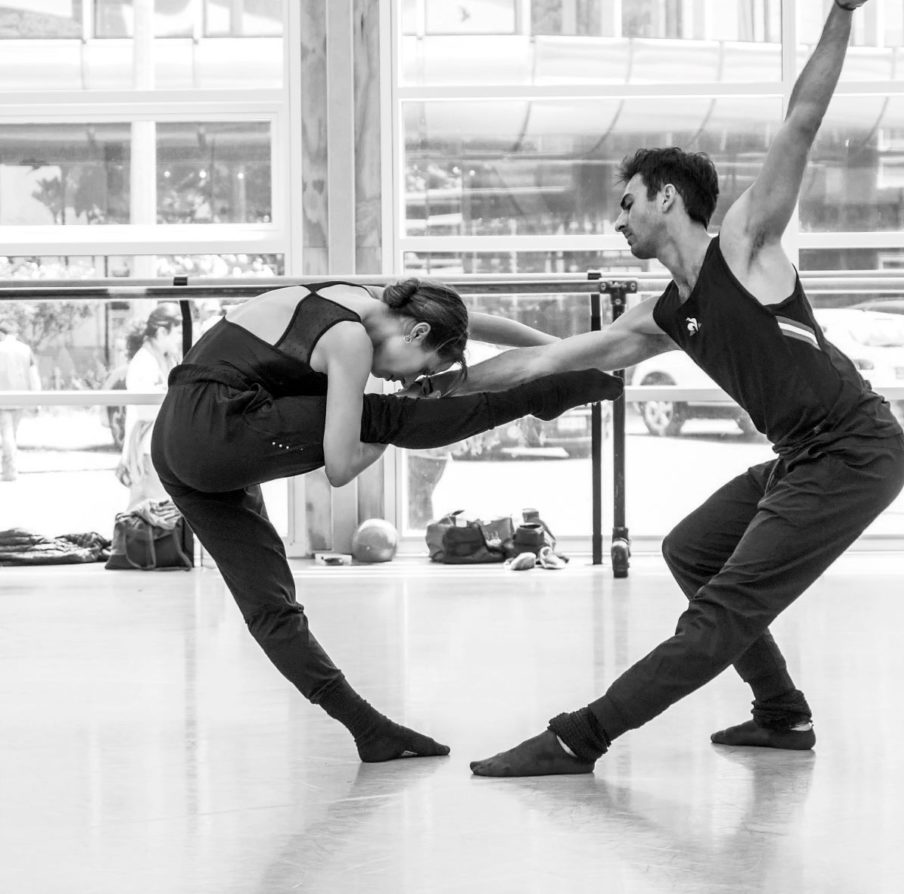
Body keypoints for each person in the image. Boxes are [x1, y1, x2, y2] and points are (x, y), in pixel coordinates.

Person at [437, 0, 904, 776]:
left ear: (666, 196)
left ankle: (576, 737)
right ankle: (782, 714)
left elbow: (800, 122)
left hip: (856, 451)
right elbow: (545, 362)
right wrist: (437, 384)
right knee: (694, 551)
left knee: (720, 613)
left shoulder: (746, 243)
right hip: (803, 458)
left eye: (625, 204)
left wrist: (839, 14)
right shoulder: (660, 313)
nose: (617, 224)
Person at [150, 277, 620, 763]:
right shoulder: (350, 339)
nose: (409, 382)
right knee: (381, 415)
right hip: (218, 427)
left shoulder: (372, 296)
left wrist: (570, 350)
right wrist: (396, 418)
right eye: (423, 371)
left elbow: (471, 322)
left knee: (272, 606)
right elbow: (340, 466)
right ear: (416, 334)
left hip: (177, 440)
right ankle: (539, 397)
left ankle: (369, 731)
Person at [117, 304, 182, 506]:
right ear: (163, 332)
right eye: (178, 332)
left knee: (155, 512)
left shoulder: (167, 358)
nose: (181, 338)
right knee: (149, 512)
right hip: (147, 449)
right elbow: (146, 409)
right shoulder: (143, 362)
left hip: (159, 447)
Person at [0, 317, 42, 482]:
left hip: (1, 398)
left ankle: (10, 470)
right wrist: (37, 401)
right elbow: (33, 376)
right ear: (15, 333)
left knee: (7, 434)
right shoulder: (25, 349)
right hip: (20, 397)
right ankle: (10, 467)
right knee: (11, 434)